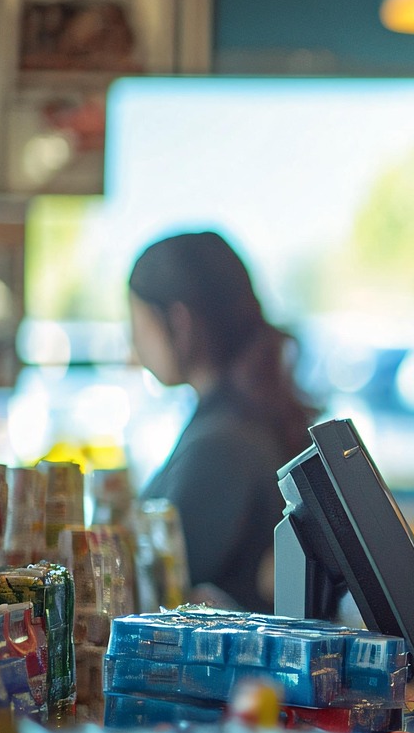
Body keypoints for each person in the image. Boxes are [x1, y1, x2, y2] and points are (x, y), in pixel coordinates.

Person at [129, 231, 317, 613]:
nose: (132, 345)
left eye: (136, 323)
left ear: (178, 321)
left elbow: (150, 589)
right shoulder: (248, 417)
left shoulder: (223, 445)